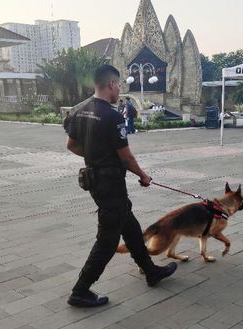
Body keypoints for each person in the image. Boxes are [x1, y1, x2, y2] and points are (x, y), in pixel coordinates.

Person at [66, 64, 176, 307]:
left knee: (130, 227)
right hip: (111, 184)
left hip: (97, 182)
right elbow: (126, 157)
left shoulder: (80, 110)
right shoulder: (112, 115)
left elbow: (71, 145)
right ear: (111, 84)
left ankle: (150, 271)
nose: (120, 90)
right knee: (107, 240)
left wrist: (95, 156)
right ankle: (80, 291)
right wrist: (144, 176)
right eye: (119, 85)